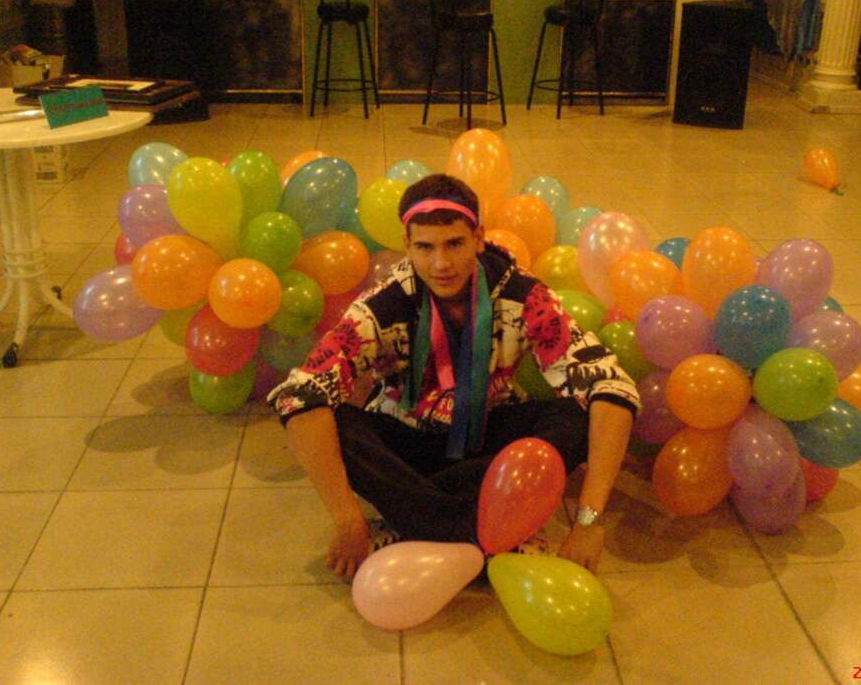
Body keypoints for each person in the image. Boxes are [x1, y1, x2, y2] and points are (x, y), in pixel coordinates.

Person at [269, 174, 639, 581]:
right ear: (407, 245)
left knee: (577, 415)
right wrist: (347, 522)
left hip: (485, 440)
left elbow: (611, 384)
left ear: (478, 238)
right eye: (425, 247)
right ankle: (490, 538)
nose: (441, 264)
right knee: (328, 418)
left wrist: (588, 523)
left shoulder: (524, 296)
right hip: (407, 444)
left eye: (454, 244)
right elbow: (299, 394)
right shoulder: (382, 305)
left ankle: (412, 526)